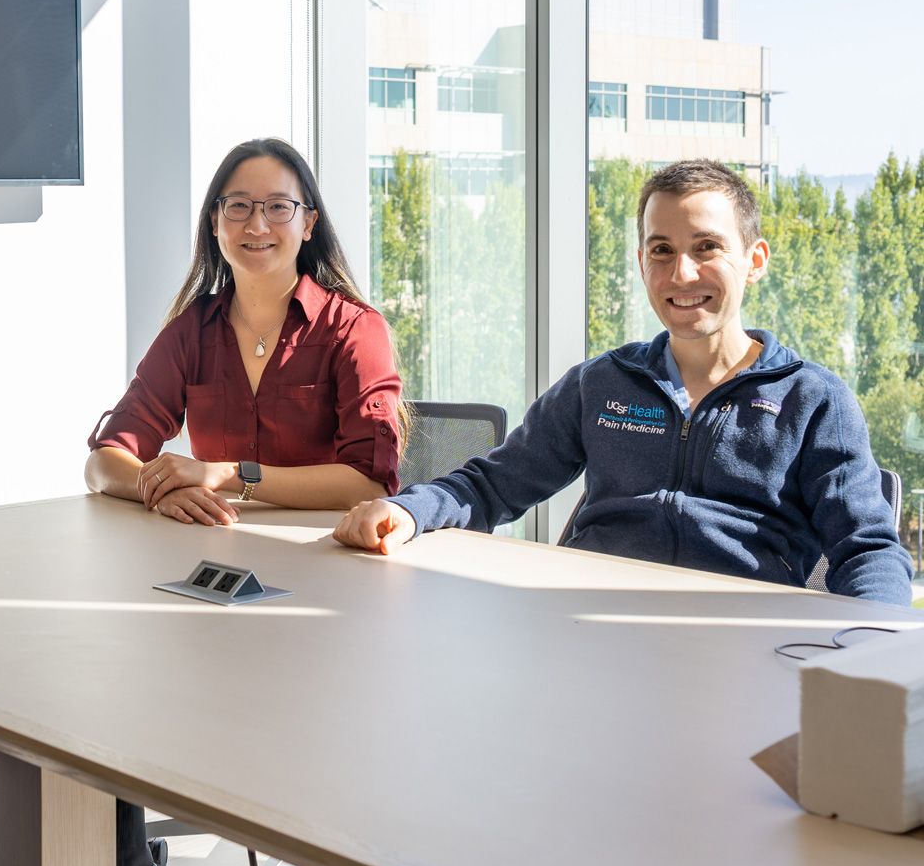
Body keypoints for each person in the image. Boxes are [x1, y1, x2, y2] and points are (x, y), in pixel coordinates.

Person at [334, 158, 915, 605]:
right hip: (587, 629)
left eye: (707, 247)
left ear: (755, 259)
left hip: (737, 643)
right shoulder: (602, 383)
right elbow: (489, 487)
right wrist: (410, 511)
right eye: (661, 250)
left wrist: (875, 653)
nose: (681, 273)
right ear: (642, 263)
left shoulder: (813, 399)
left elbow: (866, 550)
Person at [85, 137, 406, 866]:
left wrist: (228, 474)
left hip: (333, 590)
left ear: (308, 222)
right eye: (237, 205)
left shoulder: (351, 329)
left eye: (275, 206)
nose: (255, 222)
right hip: (215, 581)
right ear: (215, 224)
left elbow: (370, 481)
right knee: (93, 682)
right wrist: (158, 483)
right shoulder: (192, 330)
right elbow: (104, 460)